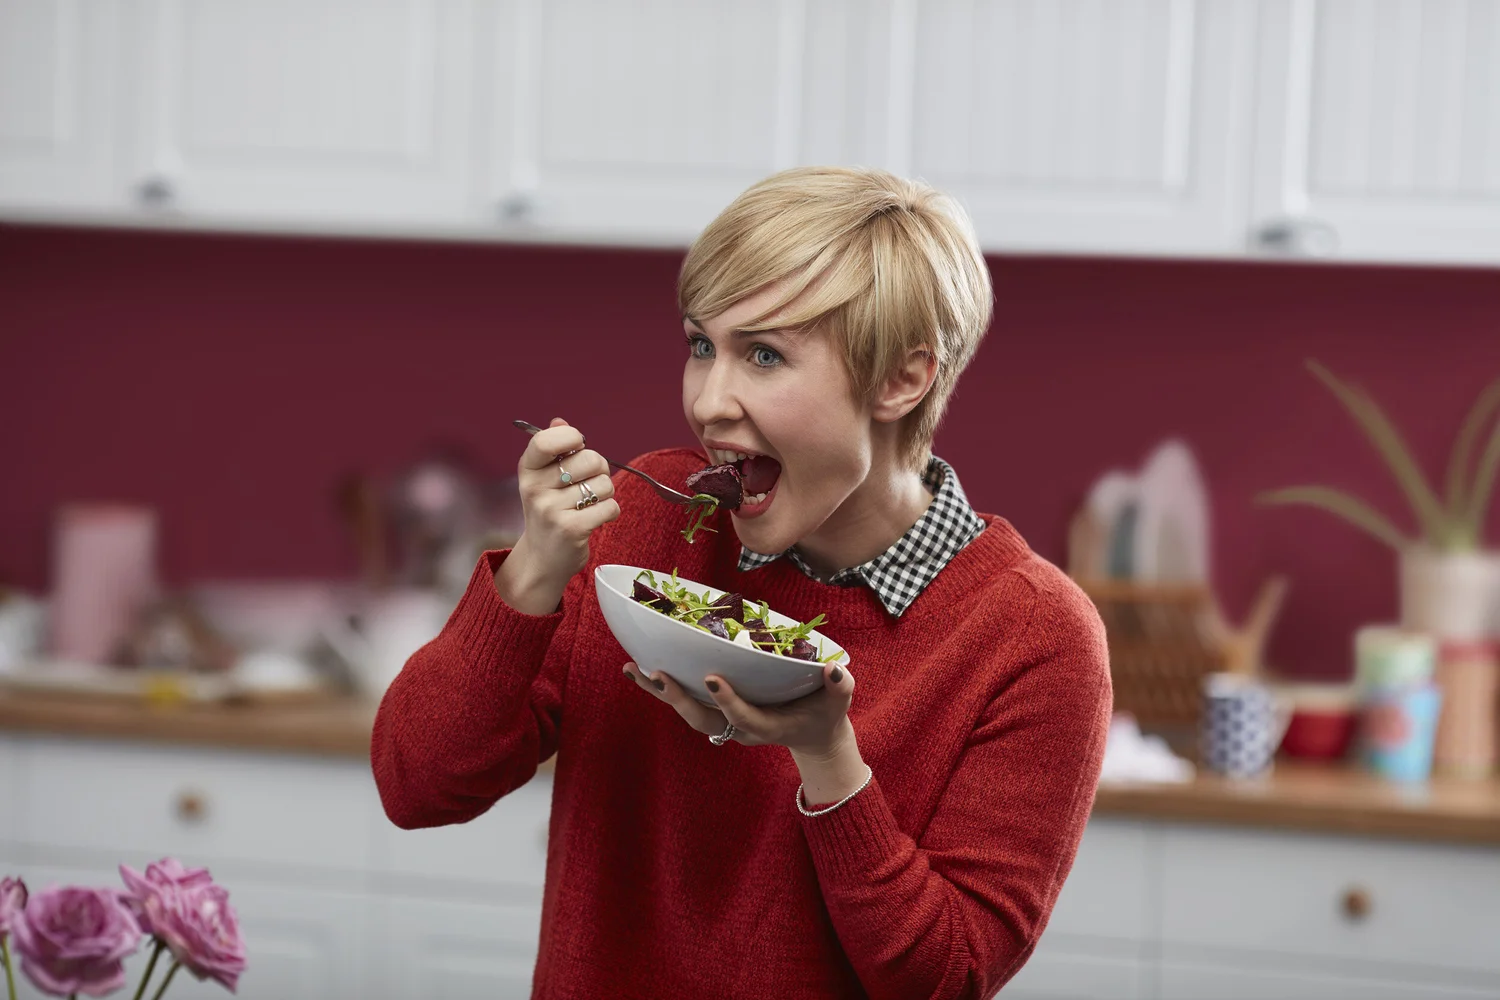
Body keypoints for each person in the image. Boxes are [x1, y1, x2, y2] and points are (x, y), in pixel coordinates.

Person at [371, 166, 1111, 1000]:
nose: (709, 402)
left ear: (901, 381)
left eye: (764, 355)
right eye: (701, 346)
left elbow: (947, 976)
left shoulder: (1033, 635)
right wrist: (537, 564)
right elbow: (417, 784)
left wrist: (827, 757)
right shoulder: (641, 527)